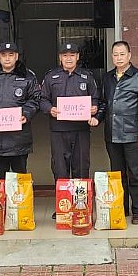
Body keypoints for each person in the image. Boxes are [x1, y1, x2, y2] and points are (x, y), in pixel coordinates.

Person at [96, 41, 138, 225]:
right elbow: (104, 103)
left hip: (132, 134)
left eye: (122, 54)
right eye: (115, 54)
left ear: (129, 55)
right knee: (117, 174)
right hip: (112, 134)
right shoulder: (108, 77)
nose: (118, 58)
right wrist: (97, 118)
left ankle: (137, 211)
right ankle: (121, 207)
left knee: (136, 174)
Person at [40, 42, 101, 205]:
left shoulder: (87, 76)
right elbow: (42, 99)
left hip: (81, 130)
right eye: (65, 55)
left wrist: (94, 107)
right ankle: (63, 206)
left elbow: (96, 98)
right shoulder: (51, 77)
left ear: (78, 57)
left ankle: (82, 206)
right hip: (58, 130)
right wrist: (49, 109)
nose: (68, 59)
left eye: (72, 55)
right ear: (60, 57)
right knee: (60, 168)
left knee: (81, 167)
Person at [0, 41, 41, 179]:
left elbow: (35, 99)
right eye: (4, 55)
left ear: (16, 56)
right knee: (0, 179)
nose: (7, 58)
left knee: (20, 177)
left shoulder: (28, 76)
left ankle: (20, 195)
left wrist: (26, 114)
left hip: (19, 138)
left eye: (11, 55)